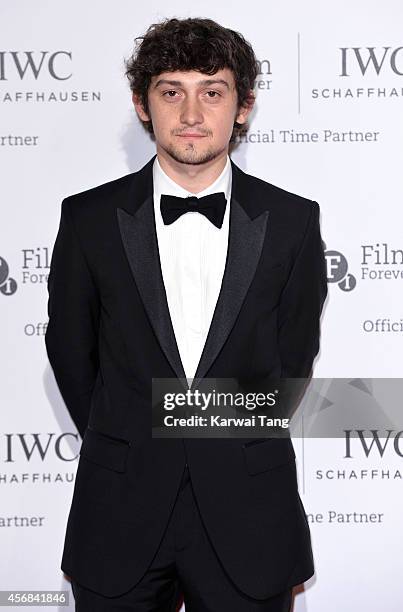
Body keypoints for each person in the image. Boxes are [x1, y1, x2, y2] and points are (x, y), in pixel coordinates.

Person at [45, 16, 328, 612]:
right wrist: (131, 432)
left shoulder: (294, 223)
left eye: (213, 91)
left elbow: (292, 361)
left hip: (249, 512)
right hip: (119, 510)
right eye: (171, 91)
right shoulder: (88, 220)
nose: (192, 113)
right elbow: (73, 357)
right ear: (142, 105)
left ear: (243, 105)